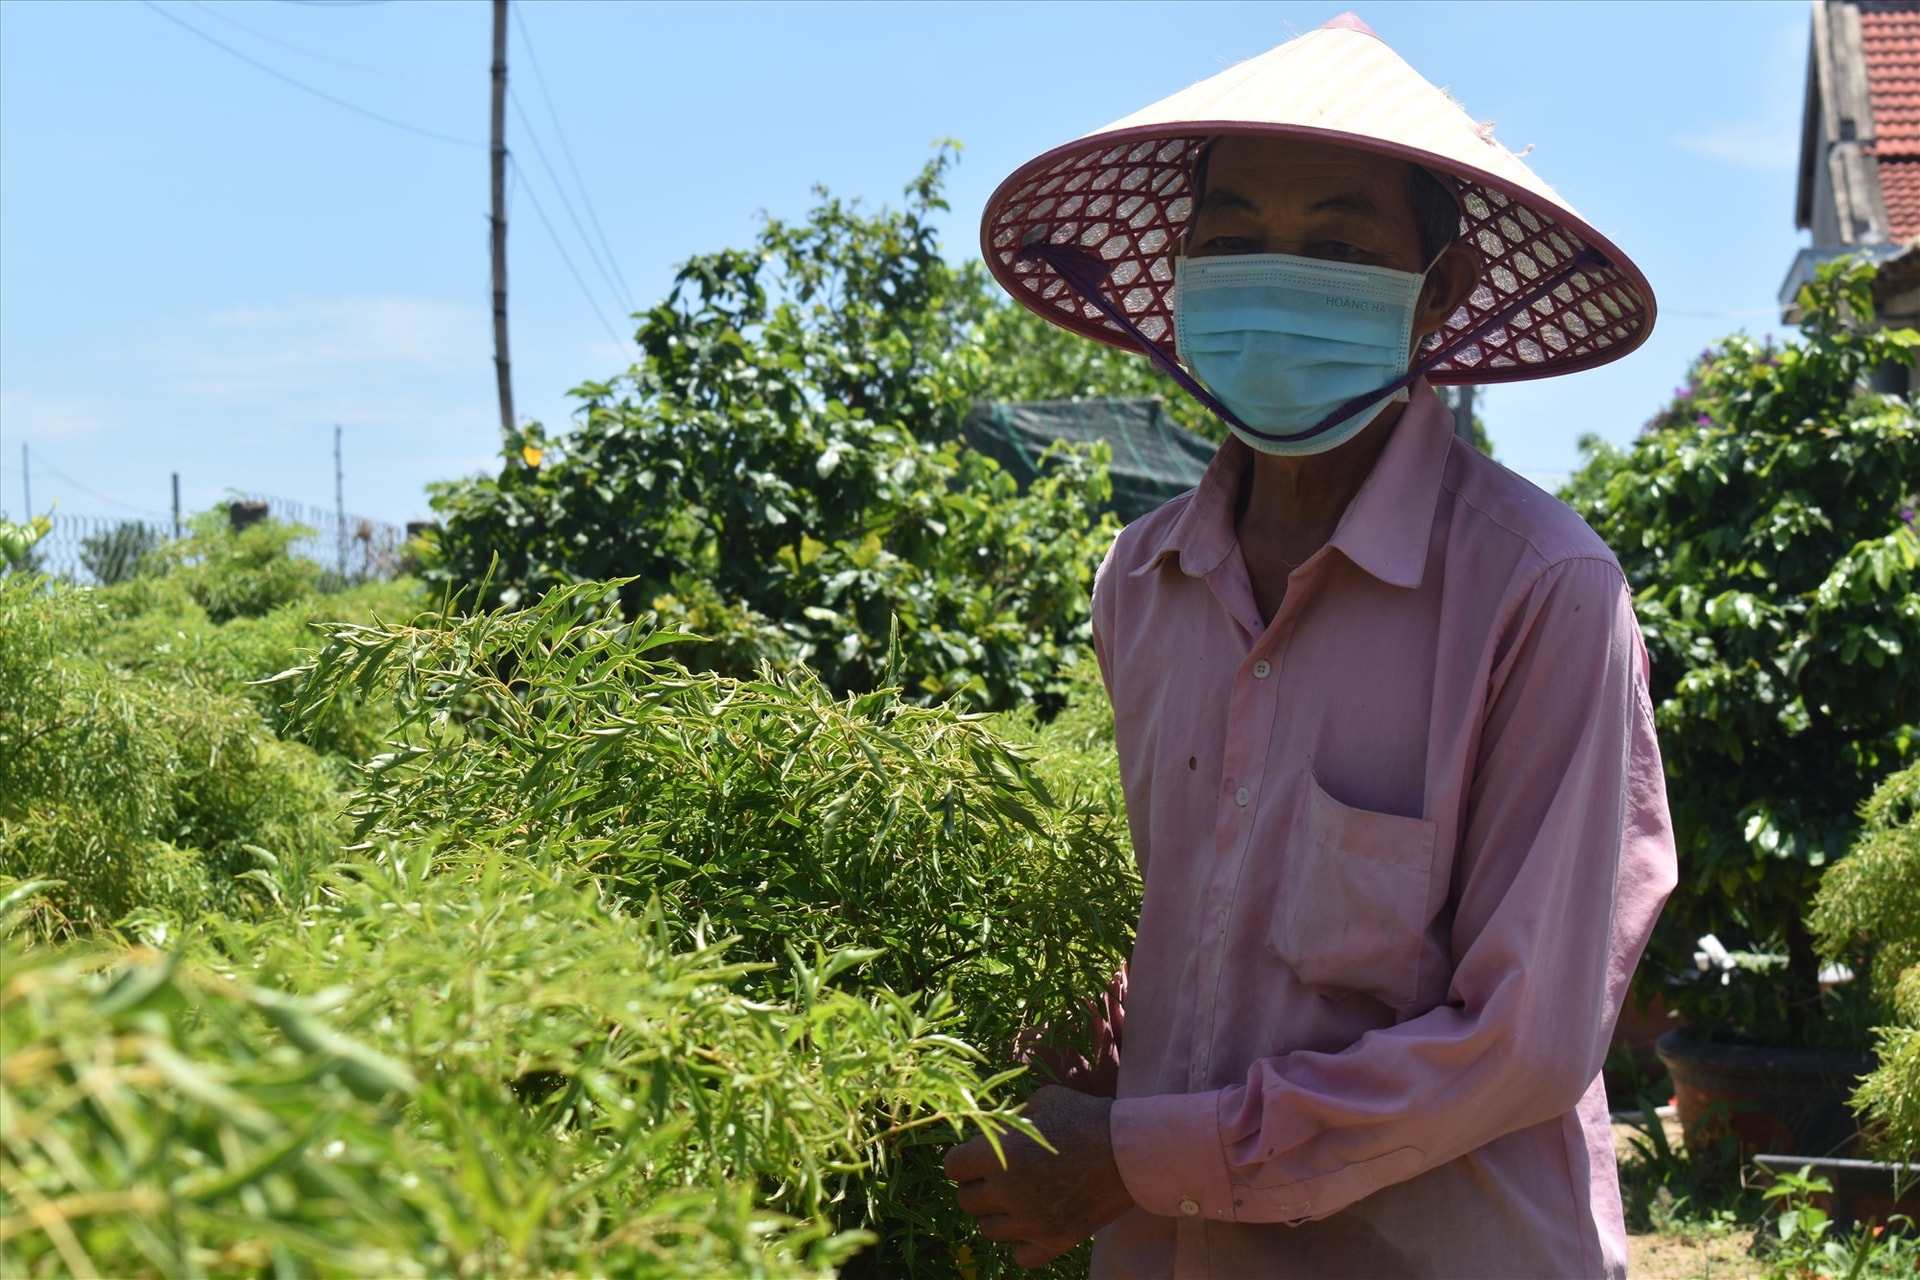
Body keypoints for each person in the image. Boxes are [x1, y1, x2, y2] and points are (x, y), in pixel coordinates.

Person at [944, 14, 1678, 1278]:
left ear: (1436, 295)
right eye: (1232, 242)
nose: (1275, 281)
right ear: (1183, 278)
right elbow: (1178, 922)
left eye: (1337, 245)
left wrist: (1130, 1156)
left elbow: (1523, 1038)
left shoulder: (1544, 592)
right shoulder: (1144, 578)